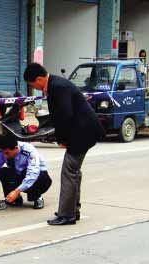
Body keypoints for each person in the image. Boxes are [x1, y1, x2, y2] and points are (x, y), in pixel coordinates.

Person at [23, 63, 103, 226]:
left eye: (32, 84)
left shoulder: (57, 86)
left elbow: (65, 115)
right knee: (74, 172)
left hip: (83, 132)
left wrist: (63, 140)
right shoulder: (55, 84)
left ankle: (67, 215)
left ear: (39, 79)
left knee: (69, 172)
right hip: (83, 131)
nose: (34, 88)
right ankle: (72, 209)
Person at [0, 133, 51, 209]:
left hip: (39, 178)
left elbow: (32, 174)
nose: (4, 156)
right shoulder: (3, 151)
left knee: (27, 173)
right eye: (3, 152)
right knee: (3, 172)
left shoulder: (29, 150)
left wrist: (16, 191)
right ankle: (15, 198)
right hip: (20, 175)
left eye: (7, 153)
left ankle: (37, 197)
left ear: (16, 148)